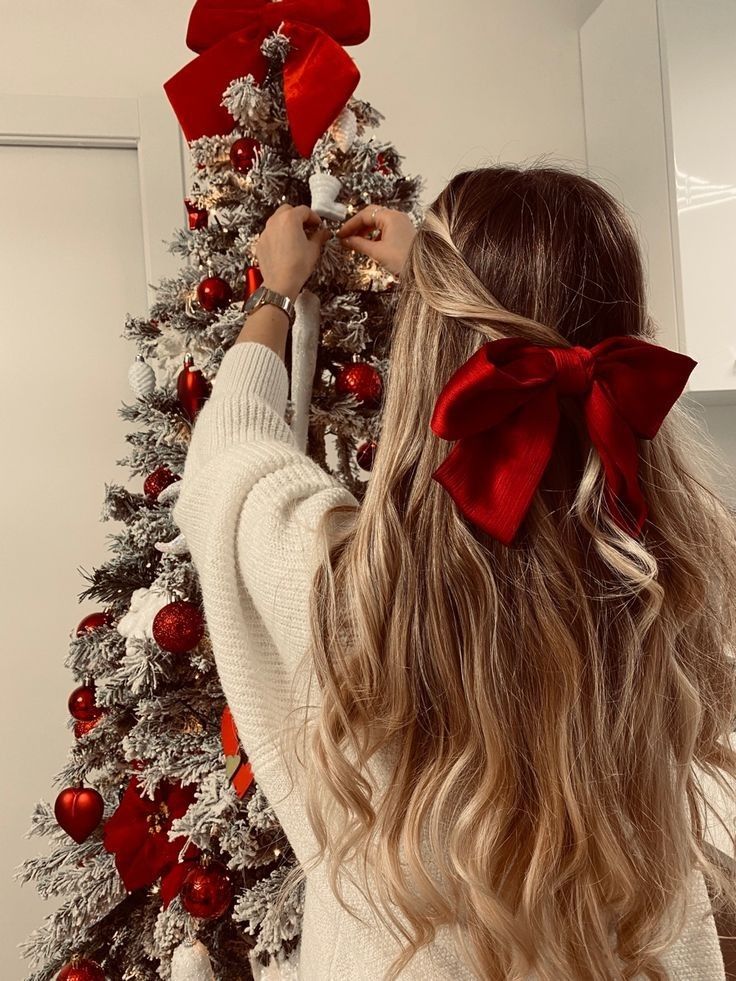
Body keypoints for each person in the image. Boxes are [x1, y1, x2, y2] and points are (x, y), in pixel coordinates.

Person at [171, 164, 736, 980]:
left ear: (429, 348)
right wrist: (443, 275)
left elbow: (229, 452)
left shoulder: (341, 587)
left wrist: (275, 295)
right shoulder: (673, 566)